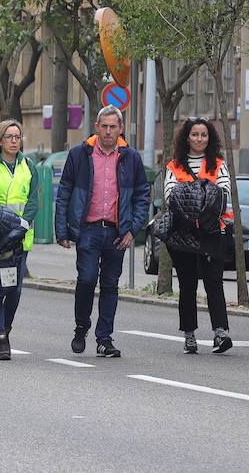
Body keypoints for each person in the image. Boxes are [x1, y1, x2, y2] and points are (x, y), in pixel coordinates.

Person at [55, 105, 151, 359]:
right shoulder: (79, 154)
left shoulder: (131, 157)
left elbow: (142, 195)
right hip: (88, 229)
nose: (108, 132)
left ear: (121, 129)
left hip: (117, 232)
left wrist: (132, 229)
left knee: (110, 285)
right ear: (96, 127)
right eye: (104, 126)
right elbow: (64, 191)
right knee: (86, 279)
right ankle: (81, 326)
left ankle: (104, 338)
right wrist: (62, 229)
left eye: (113, 127)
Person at [164, 118, 232, 354]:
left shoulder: (219, 165)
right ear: (187, 138)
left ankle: (221, 333)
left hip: (213, 232)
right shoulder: (174, 165)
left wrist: (197, 208)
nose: (199, 139)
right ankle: (189, 335)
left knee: (214, 283)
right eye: (195, 134)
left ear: (209, 138)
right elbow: (170, 197)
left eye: (203, 135)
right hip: (183, 235)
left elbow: (222, 196)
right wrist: (201, 202)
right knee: (187, 285)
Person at [0, 120, 40, 360]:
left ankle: (6, 326)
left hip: (20, 239)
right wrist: (4, 227)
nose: (14, 141)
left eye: (18, 136)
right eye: (9, 136)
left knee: (15, 290)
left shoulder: (29, 165)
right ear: (0, 140)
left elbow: (33, 200)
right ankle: (0, 337)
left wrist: (21, 225)